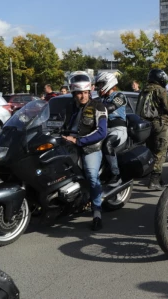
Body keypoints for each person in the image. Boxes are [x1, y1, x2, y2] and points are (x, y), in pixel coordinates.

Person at [61, 72, 108, 231]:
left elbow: (102, 132)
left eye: (85, 92)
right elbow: (56, 124)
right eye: (79, 93)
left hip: (89, 148)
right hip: (68, 145)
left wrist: (79, 140)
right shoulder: (70, 107)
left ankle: (97, 213)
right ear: (74, 93)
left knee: (91, 176)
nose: (82, 96)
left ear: (90, 92)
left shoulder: (98, 106)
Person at [137, 69, 168, 190]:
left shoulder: (144, 90)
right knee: (160, 151)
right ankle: (154, 181)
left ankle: (156, 179)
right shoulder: (160, 90)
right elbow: (167, 106)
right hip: (159, 124)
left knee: (151, 150)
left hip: (146, 125)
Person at [95, 71, 127, 187]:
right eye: (98, 84)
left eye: (101, 84)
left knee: (108, 143)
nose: (99, 87)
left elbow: (111, 107)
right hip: (103, 130)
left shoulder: (119, 96)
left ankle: (116, 175)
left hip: (118, 130)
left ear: (108, 82)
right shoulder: (101, 99)